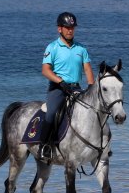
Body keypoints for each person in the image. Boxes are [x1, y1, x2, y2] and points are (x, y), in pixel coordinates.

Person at [39, 12, 95, 161]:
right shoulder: (52, 47)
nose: (70, 30)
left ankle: (98, 146)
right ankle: (44, 146)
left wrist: (91, 87)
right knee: (51, 114)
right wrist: (60, 82)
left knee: (94, 111)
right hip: (57, 88)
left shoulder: (81, 49)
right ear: (60, 29)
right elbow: (45, 70)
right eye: (67, 27)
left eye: (72, 27)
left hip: (76, 88)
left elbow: (88, 69)